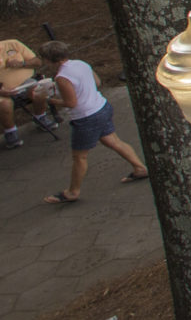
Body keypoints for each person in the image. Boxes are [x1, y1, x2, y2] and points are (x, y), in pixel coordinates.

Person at [30, 42, 149, 204]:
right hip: (101, 107)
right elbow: (97, 83)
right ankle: (140, 168)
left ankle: (72, 192)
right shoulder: (80, 63)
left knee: (79, 156)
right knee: (112, 140)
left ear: (50, 59)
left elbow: (71, 103)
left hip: (86, 117)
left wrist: (47, 99)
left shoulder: (62, 77)